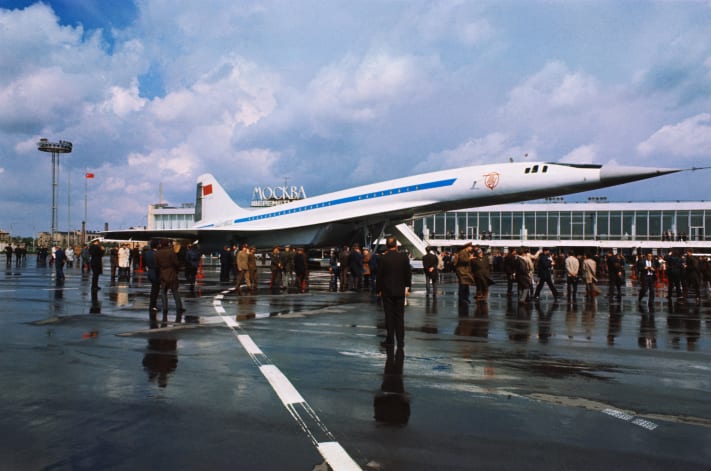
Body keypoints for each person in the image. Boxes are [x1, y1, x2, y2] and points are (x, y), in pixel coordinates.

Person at [376, 237, 411, 349]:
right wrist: (407, 287)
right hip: (400, 290)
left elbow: (379, 276)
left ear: (387, 246)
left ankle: (390, 339)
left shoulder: (383, 258)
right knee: (399, 316)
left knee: (389, 316)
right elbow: (408, 273)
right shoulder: (403, 257)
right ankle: (401, 340)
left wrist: (378, 289)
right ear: (396, 245)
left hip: (387, 291)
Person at [156, 239, 184, 322]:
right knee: (175, 291)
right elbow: (176, 263)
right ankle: (179, 307)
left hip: (162, 273)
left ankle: (165, 308)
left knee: (163, 292)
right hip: (171, 273)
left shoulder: (157, 253)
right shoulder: (171, 252)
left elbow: (156, 265)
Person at [143, 240, 161, 321]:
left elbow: (144, 263)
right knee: (155, 290)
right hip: (156, 273)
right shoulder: (156, 253)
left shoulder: (147, 253)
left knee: (153, 290)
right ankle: (153, 306)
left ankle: (152, 305)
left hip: (150, 272)